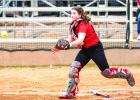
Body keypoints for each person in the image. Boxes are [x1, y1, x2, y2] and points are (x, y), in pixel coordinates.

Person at [52, 6, 135, 99]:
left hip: (95, 49)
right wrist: (60, 47)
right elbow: (70, 39)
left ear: (80, 14)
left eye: (74, 13)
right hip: (85, 50)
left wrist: (69, 45)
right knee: (73, 70)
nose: (72, 15)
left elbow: (79, 40)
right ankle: (70, 93)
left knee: (107, 73)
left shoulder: (83, 24)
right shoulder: (72, 24)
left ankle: (127, 73)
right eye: (71, 13)